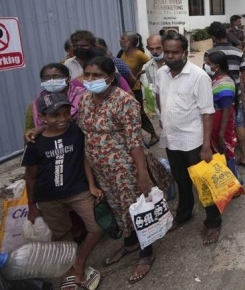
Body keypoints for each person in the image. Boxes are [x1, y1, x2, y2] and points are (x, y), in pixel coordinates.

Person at [78, 56, 155, 284]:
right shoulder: (85, 100)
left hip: (124, 167)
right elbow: (85, 136)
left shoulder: (125, 102)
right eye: (88, 75)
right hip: (101, 169)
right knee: (116, 207)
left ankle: (146, 253)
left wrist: (142, 175)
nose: (91, 80)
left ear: (110, 78)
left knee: (135, 208)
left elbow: (134, 142)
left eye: (97, 75)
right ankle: (130, 244)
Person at [23, 93, 103, 289]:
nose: (62, 119)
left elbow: (85, 158)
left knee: (97, 226)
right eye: (55, 116)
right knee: (62, 235)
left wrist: (91, 185)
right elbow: (30, 176)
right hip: (49, 197)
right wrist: (31, 206)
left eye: (66, 114)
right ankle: (72, 270)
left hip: (78, 190)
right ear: (42, 117)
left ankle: (80, 261)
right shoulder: (35, 142)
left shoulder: (76, 132)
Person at [154, 32, 221, 245]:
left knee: (202, 183)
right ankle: (184, 214)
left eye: (175, 52)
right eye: (167, 52)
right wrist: (162, 119)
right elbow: (158, 96)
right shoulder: (161, 73)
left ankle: (213, 221)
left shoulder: (198, 76)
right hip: (171, 139)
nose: (170, 56)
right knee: (181, 180)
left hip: (194, 141)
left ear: (185, 53)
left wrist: (206, 146)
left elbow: (207, 112)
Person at [206, 22, 245, 167]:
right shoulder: (238, 52)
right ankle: (244, 156)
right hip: (236, 95)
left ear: (213, 37)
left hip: (217, 98)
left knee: (221, 128)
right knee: (238, 124)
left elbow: (206, 76)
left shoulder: (209, 54)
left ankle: (223, 158)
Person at [204, 51, 240, 179]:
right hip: (215, 121)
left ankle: (233, 182)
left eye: (209, 64)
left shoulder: (225, 84)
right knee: (219, 153)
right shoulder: (217, 78)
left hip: (222, 124)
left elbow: (226, 110)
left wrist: (220, 134)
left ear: (217, 66)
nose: (206, 65)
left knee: (225, 151)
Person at [120, 32, 159, 147]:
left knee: (139, 113)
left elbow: (151, 64)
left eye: (123, 39)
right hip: (125, 87)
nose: (120, 40)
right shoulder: (123, 53)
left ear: (130, 41)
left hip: (135, 88)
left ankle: (153, 134)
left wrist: (139, 74)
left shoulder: (139, 54)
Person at [26, 63, 86, 132]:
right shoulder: (39, 101)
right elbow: (37, 126)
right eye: (47, 78)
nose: (52, 81)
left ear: (68, 79)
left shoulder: (83, 95)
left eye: (57, 77)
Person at [143, 34, 166, 114]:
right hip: (159, 109)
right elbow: (152, 85)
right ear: (147, 48)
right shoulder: (148, 66)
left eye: (158, 48)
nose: (155, 51)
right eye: (152, 49)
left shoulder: (172, 64)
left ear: (164, 46)